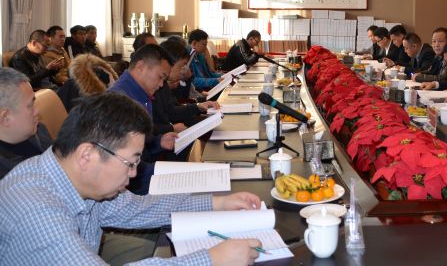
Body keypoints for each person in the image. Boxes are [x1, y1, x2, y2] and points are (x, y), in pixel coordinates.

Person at [0, 92, 262, 265]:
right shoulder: (37, 211)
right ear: (87, 155)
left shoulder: (73, 176)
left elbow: (138, 208)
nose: (135, 173)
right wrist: (211, 260)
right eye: (130, 162)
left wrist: (218, 203)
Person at [109, 44, 179, 194]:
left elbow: (139, 147)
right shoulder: (120, 103)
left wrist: (158, 142)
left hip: (143, 170)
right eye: (160, 77)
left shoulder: (140, 95)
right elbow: (125, 168)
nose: (161, 85)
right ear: (141, 67)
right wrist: (172, 174)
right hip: (129, 185)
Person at [0, 68, 52, 179]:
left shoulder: (38, 130)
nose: (37, 111)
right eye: (30, 105)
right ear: (5, 118)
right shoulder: (7, 176)